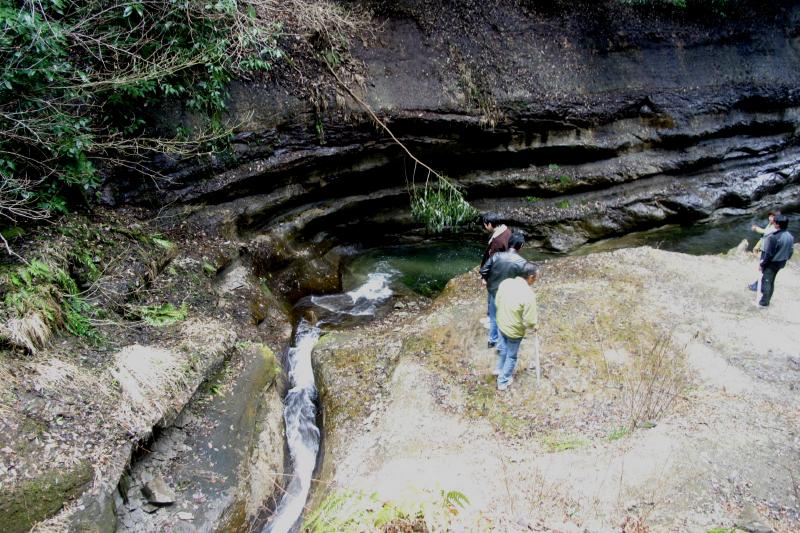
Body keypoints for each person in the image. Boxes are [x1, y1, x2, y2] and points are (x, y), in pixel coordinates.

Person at [480, 232, 527, 361]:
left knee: (494, 317)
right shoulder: (522, 262)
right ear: (520, 245)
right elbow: (523, 280)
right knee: (504, 319)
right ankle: (501, 347)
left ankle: (492, 340)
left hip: (493, 290)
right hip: (508, 295)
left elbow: (483, 270)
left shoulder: (497, 256)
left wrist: (490, 280)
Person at [495, 261, 539, 391]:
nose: (536, 280)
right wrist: (535, 326)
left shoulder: (506, 282)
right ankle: (502, 381)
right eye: (536, 277)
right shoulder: (528, 295)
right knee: (511, 356)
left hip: (501, 323)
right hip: (514, 331)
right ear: (530, 277)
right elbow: (530, 320)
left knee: (503, 349)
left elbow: (497, 301)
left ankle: (499, 369)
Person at [478, 212, 512, 348]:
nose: (485, 227)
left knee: (495, 311)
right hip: (505, 274)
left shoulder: (497, 241)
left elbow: (493, 263)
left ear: (490, 224)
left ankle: (493, 340)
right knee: (495, 307)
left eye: (485, 225)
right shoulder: (506, 231)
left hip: (497, 279)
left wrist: (485, 277)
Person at [755, 214, 794, 308]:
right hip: (781, 262)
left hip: (772, 263)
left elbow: (769, 254)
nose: (773, 222)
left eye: (774, 222)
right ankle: (767, 299)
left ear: (777, 225)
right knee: (772, 281)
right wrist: (785, 258)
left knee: (766, 281)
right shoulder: (790, 236)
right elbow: (791, 251)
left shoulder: (774, 237)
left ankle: (764, 303)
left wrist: (762, 264)